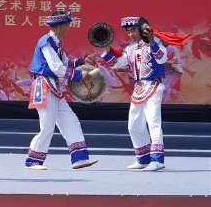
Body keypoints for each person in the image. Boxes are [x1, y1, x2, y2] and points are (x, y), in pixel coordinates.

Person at [26, 10, 98, 170]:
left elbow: (65, 63)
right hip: (44, 86)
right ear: (60, 26)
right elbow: (56, 67)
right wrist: (78, 75)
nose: (68, 28)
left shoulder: (57, 43)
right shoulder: (46, 42)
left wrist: (83, 61)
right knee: (47, 126)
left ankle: (79, 158)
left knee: (70, 120)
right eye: (67, 25)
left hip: (54, 87)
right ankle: (33, 161)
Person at [101, 16, 168, 171]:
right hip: (138, 89)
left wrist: (152, 41)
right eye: (128, 31)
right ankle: (143, 159)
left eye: (133, 30)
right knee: (134, 124)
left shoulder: (156, 43)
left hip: (153, 85)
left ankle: (157, 160)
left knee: (153, 122)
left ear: (141, 30)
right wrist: (105, 49)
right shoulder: (130, 49)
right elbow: (118, 64)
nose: (130, 34)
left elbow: (162, 58)